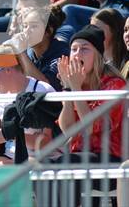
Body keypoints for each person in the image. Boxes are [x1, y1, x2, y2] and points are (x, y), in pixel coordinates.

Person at [57, 24, 126, 205]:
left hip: (111, 160)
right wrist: (68, 89)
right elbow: (68, 132)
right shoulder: (75, 85)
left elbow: (89, 128)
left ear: (98, 56)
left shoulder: (114, 85)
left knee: (67, 164)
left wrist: (76, 89)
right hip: (81, 157)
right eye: (74, 49)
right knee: (47, 168)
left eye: (85, 49)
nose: (77, 54)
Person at [0, 44, 56, 165]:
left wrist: (10, 134)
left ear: (8, 70)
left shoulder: (41, 90)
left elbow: (46, 143)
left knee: (0, 169)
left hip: (41, 157)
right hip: (11, 156)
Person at [6, 6, 69, 90]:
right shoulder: (29, 52)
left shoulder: (62, 54)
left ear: (49, 31)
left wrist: (21, 53)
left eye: (34, 26)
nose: (27, 31)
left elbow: (45, 87)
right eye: (25, 26)